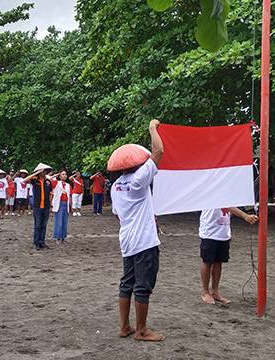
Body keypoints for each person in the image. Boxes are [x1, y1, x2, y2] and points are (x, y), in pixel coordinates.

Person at [110, 119, 164, 342]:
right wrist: (153, 127)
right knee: (143, 285)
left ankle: (125, 326)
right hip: (144, 241)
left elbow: (117, 213)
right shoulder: (139, 180)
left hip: (127, 239)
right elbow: (159, 150)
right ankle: (141, 330)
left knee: (127, 282)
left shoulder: (115, 186)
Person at [198, 208, 258, 305]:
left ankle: (214, 291)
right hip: (209, 232)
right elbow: (227, 206)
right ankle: (205, 292)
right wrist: (245, 216)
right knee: (207, 262)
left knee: (218, 262)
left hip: (223, 233)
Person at [23, 163, 53, 250]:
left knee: (44, 225)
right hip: (37, 206)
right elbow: (24, 180)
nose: (45, 172)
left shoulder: (48, 181)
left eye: (45, 171)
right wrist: (36, 173)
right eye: (43, 171)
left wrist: (50, 205)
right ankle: (36, 242)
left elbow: (51, 193)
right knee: (38, 225)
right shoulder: (34, 180)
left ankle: (42, 242)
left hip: (46, 206)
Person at [50, 170, 72, 244]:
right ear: (59, 176)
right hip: (59, 204)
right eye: (62, 174)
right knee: (58, 222)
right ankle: (57, 237)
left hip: (66, 204)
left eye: (65, 174)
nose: (64, 176)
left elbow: (69, 196)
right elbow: (48, 178)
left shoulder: (68, 185)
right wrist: (55, 175)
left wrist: (70, 205)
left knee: (64, 222)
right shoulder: (56, 183)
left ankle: (63, 237)